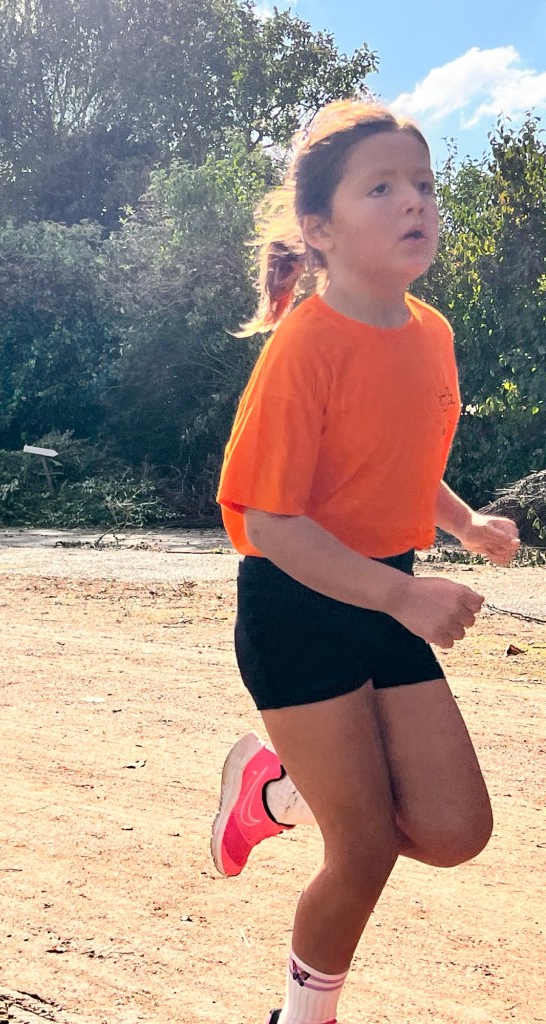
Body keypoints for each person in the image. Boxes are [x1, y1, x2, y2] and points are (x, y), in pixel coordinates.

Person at [211, 100, 520, 1024]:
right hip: (297, 608)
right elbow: (272, 522)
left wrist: (462, 524)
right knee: (366, 851)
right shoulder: (304, 346)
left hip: (386, 595)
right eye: (380, 187)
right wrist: (402, 595)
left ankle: (276, 791)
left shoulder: (432, 333)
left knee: (456, 831)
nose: (413, 201)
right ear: (319, 229)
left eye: (422, 184)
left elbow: (400, 458)